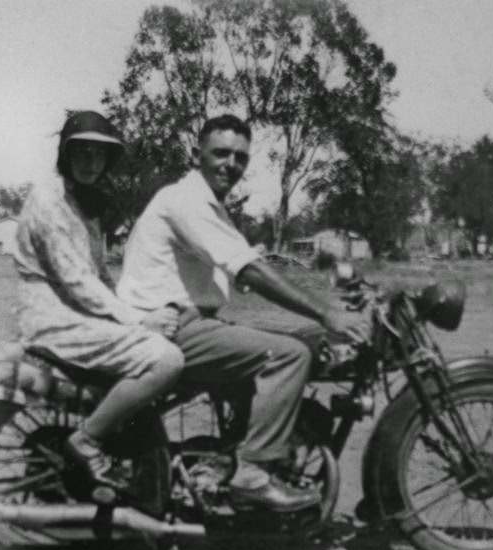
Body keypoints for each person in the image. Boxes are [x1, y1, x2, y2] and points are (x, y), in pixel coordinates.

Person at [117, 114, 371, 513]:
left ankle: (253, 449)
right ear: (197, 153)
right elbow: (248, 269)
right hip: (165, 327)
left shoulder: (209, 206)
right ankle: (251, 473)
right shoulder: (186, 200)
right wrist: (327, 314)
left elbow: (249, 263)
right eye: (220, 153)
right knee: (290, 354)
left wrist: (328, 305)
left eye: (239, 157)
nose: (229, 164)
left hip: (192, 323)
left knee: (302, 338)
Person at [12, 110, 184, 489]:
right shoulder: (48, 200)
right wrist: (139, 321)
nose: (91, 162)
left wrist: (143, 310)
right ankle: (86, 440)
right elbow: (76, 282)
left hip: (77, 313)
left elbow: (100, 277)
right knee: (167, 360)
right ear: (65, 154)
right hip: (52, 317)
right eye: (83, 153)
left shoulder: (84, 204)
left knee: (166, 337)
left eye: (99, 155)